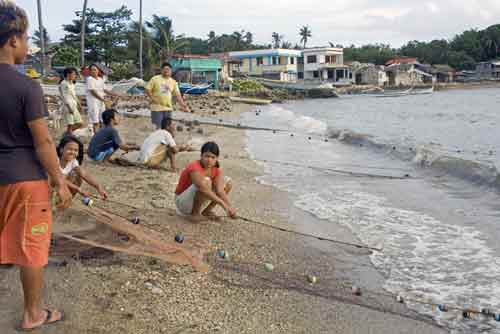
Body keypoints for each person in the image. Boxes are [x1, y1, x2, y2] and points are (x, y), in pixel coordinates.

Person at [0, 1, 72, 330]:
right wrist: (59, 179)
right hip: (25, 180)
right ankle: (32, 313)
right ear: (13, 40)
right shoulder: (26, 87)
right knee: (32, 246)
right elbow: (43, 142)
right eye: (27, 39)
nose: (28, 46)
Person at [175, 142, 236, 222]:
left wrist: (230, 208)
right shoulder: (194, 167)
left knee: (228, 182)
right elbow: (203, 189)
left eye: (213, 157)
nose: (209, 160)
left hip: (195, 201)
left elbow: (219, 190)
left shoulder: (216, 170)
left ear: (217, 158)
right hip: (182, 203)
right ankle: (195, 214)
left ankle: (206, 211)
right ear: (201, 155)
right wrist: (223, 205)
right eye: (206, 156)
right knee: (206, 181)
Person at [57, 135, 107, 200]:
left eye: (75, 150)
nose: (73, 152)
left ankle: (66, 200)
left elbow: (84, 175)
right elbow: (58, 179)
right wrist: (78, 189)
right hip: (49, 188)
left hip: (59, 186)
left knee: (78, 176)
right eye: (69, 149)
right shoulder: (55, 160)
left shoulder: (73, 161)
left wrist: (98, 187)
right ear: (61, 150)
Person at [145, 62, 191, 129]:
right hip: (156, 108)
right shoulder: (155, 79)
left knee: (167, 127)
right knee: (158, 127)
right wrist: (153, 99)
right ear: (161, 70)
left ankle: (164, 139)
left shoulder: (173, 82)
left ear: (171, 71)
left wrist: (183, 105)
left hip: (168, 108)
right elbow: (147, 90)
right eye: (164, 69)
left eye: (168, 69)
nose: (166, 71)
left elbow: (178, 95)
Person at [86, 64, 119, 133]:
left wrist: (114, 94)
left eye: (95, 69)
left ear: (98, 70)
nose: (93, 71)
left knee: (102, 120)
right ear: (90, 71)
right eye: (92, 70)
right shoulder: (89, 79)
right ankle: (96, 137)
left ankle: (101, 135)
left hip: (101, 102)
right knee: (95, 121)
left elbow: (105, 90)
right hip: (93, 102)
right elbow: (93, 92)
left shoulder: (100, 79)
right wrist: (103, 100)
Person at [59, 67, 83, 135]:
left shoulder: (71, 83)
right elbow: (64, 97)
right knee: (70, 124)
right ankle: (69, 136)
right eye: (74, 74)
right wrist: (69, 107)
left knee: (80, 123)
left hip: (73, 105)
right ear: (68, 74)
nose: (75, 76)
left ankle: (66, 134)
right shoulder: (64, 83)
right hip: (68, 105)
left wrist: (79, 104)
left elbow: (74, 95)